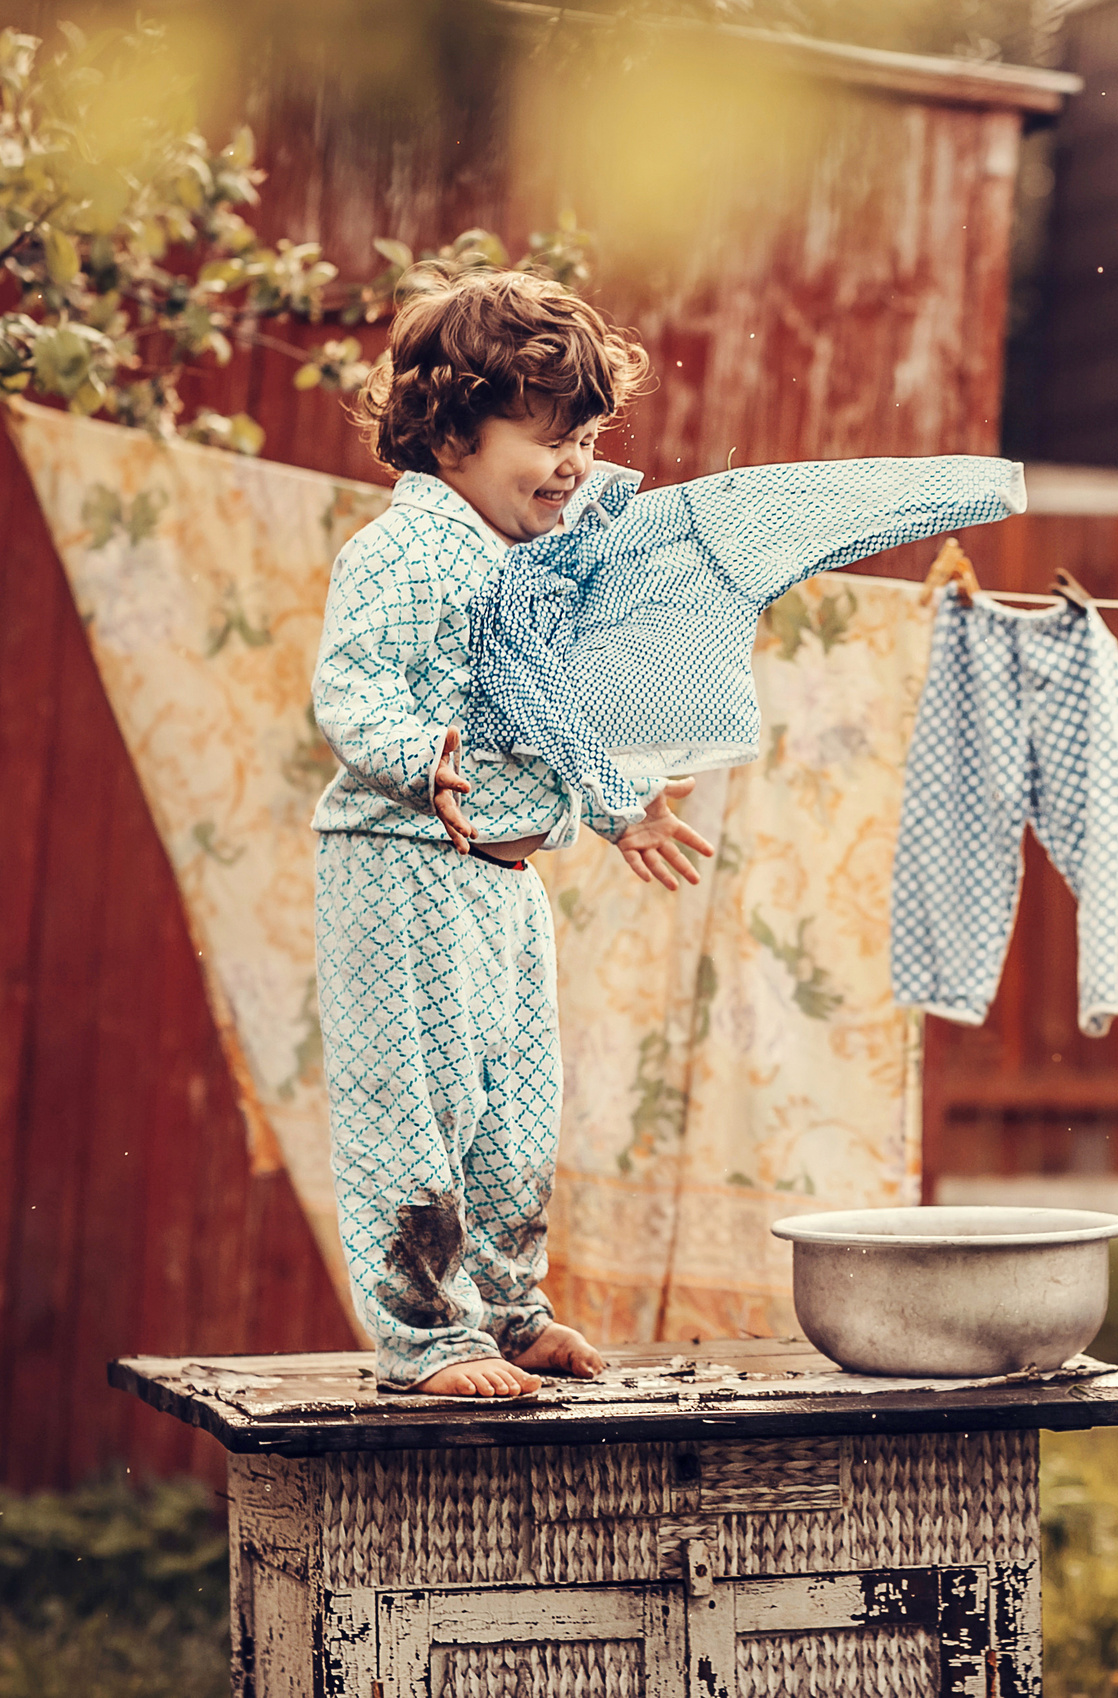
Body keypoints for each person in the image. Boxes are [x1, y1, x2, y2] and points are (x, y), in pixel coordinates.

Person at [309, 264, 714, 1397]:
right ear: (451, 441)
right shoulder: (406, 551)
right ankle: (426, 1337)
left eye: (585, 433)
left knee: (515, 1108)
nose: (574, 462)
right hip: (403, 867)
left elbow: (548, 718)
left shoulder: (528, 570)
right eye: (545, 436)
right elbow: (351, 690)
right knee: (418, 1107)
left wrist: (621, 804)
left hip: (500, 880)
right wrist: (417, 754)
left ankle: (504, 1311)